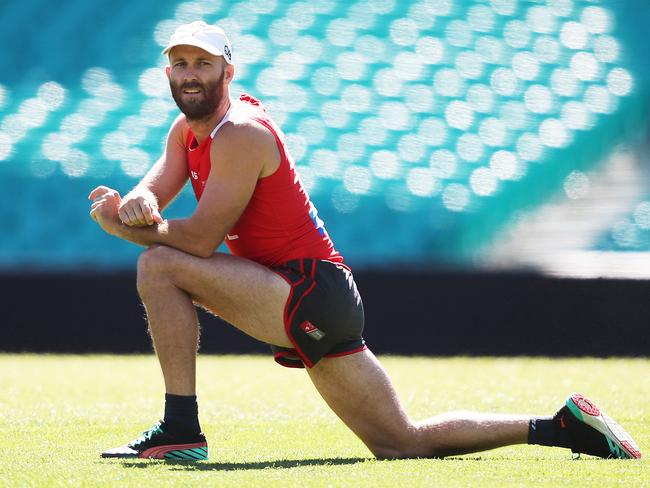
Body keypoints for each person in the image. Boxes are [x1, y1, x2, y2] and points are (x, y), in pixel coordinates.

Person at [90, 21, 641, 461]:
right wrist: (137, 197)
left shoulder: (240, 135)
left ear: (227, 71)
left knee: (159, 265)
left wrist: (124, 226)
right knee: (401, 441)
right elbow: (159, 182)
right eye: (180, 63)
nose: (189, 73)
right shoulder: (187, 130)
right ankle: (561, 427)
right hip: (312, 294)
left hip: (306, 290)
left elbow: (202, 240)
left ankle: (181, 428)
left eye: (202, 63)